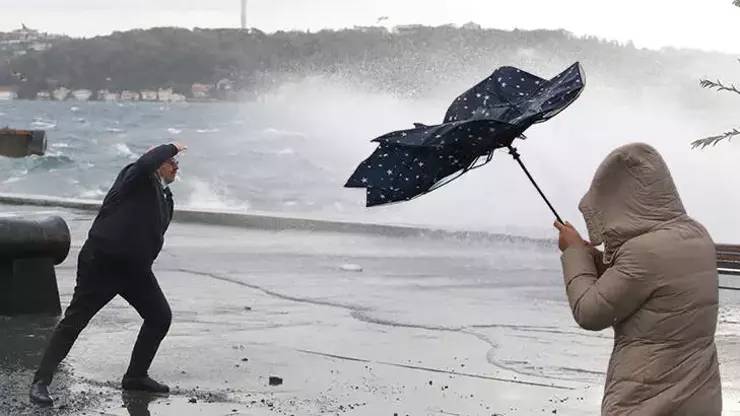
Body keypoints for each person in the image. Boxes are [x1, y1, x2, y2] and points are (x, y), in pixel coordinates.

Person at [554, 143, 722, 415]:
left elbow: (589, 313)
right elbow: (644, 284)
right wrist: (591, 256)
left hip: (648, 398)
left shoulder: (643, 252)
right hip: (698, 396)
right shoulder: (696, 234)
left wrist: (574, 253)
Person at [30, 143, 187, 405]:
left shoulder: (165, 197)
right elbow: (145, 163)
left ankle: (136, 376)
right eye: (171, 161)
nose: (176, 166)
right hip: (102, 264)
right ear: (157, 162)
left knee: (159, 317)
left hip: (135, 270)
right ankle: (40, 382)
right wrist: (171, 146)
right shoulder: (135, 177)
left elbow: (154, 233)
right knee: (75, 322)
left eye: (176, 162)